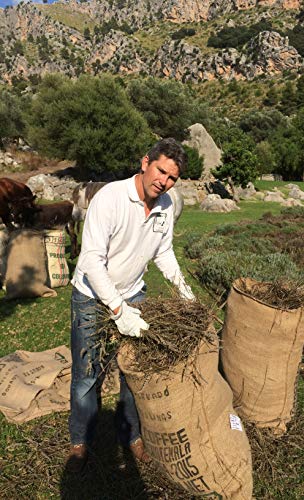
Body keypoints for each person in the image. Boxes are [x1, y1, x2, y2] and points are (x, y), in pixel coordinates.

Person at [67, 138, 195, 472]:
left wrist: (184, 290)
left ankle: (132, 436)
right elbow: (92, 261)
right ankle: (80, 441)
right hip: (91, 297)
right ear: (145, 163)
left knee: (133, 371)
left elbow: (162, 251)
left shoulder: (165, 205)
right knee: (87, 375)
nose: (163, 181)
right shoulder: (110, 199)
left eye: (171, 178)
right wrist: (119, 311)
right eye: (160, 171)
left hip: (133, 293)